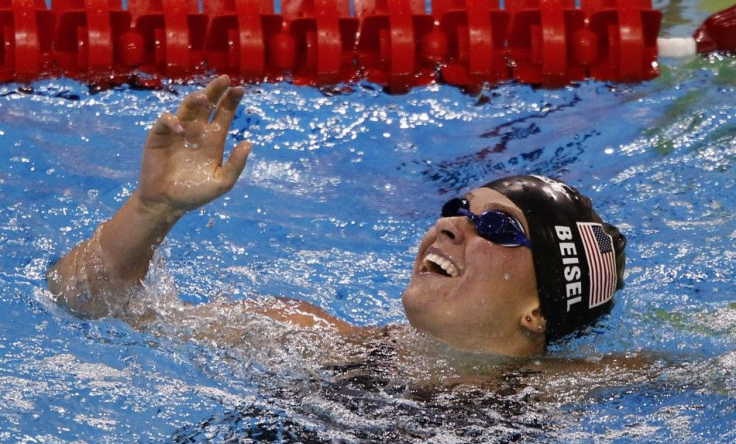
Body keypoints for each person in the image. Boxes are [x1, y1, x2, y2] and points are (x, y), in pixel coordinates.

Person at [46, 75, 626, 358]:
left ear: (539, 312)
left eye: (497, 228)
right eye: (457, 209)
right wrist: (153, 208)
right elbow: (88, 305)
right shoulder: (316, 343)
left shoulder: (570, 399)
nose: (451, 225)